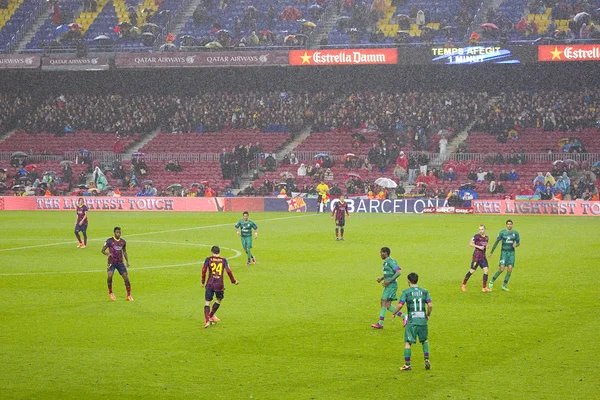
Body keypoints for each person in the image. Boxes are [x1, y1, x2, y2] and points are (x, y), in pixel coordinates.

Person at [392, 272, 432, 371]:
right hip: (422, 320)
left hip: (412, 321)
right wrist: (428, 315)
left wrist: (394, 313)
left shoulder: (406, 292)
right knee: (425, 340)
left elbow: (401, 305)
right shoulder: (424, 291)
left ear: (408, 281)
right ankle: (426, 359)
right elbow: (430, 305)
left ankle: (407, 365)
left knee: (408, 343)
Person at [201, 245, 239, 328]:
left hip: (210, 283)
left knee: (207, 302)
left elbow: (204, 270)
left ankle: (207, 320)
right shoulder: (223, 260)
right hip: (219, 284)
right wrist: (234, 281)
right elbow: (228, 271)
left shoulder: (208, 259)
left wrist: (203, 282)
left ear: (212, 252)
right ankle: (211, 316)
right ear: (219, 252)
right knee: (219, 300)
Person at [372, 247, 406, 329]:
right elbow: (389, 273)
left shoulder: (391, 261)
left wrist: (389, 281)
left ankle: (380, 323)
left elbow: (398, 272)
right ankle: (405, 316)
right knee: (387, 305)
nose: (380, 254)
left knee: (383, 302)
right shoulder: (386, 262)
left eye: (381, 253)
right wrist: (382, 278)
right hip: (389, 285)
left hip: (391, 286)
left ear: (386, 253)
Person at [101, 226, 132, 301]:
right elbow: (102, 250)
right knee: (110, 275)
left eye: (119, 232)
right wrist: (107, 254)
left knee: (126, 277)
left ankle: (129, 295)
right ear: (114, 233)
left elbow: (124, 251)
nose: (118, 234)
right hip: (111, 262)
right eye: (117, 232)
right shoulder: (109, 241)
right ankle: (111, 293)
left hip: (120, 262)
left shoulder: (123, 242)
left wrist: (127, 261)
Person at [488, 219, 520, 291]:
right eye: (508, 224)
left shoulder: (515, 233)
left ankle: (504, 285)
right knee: (501, 269)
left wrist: (516, 244)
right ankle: (491, 281)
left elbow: (518, 242)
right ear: (506, 225)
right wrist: (491, 252)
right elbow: (496, 242)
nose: (509, 225)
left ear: (512, 225)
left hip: (511, 253)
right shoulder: (502, 232)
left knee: (510, 269)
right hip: (504, 253)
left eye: (510, 224)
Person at [461, 225, 491, 292]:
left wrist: (487, 246)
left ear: (485, 230)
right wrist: (478, 247)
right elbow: (470, 244)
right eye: (480, 229)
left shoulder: (486, 238)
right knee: (472, 271)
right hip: (476, 257)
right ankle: (463, 284)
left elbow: (486, 244)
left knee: (486, 270)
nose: (481, 231)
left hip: (483, 257)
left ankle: (484, 287)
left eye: (482, 229)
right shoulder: (476, 236)